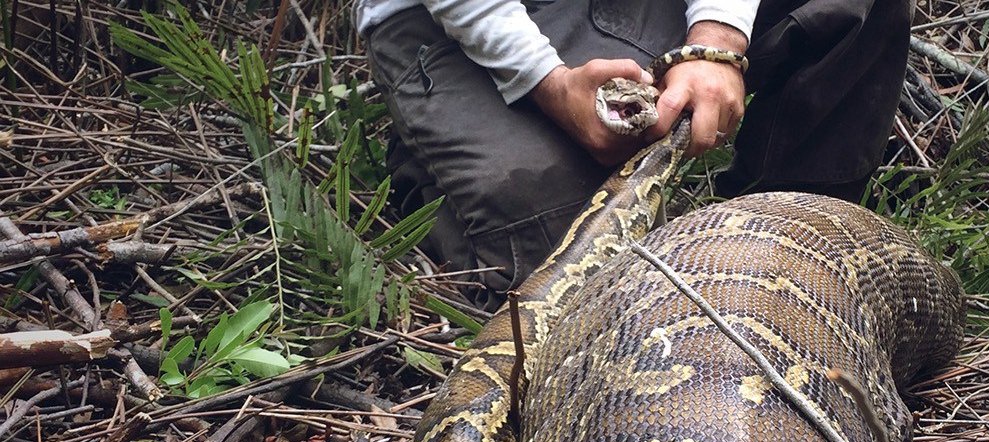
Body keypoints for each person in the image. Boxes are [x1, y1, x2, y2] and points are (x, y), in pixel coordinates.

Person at [358, 0, 910, 305]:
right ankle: (436, 161)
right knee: (574, 281)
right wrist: (547, 84)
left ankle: (793, 254)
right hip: (447, 17)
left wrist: (717, 37)